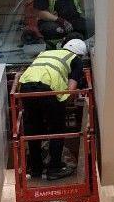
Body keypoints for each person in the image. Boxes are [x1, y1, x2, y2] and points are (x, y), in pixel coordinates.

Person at [16, 38, 88, 180]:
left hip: (25, 87)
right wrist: (65, 103)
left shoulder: (46, 53)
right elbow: (70, 90)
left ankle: (36, 169)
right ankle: (55, 168)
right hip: (47, 89)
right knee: (57, 128)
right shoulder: (76, 60)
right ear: (80, 54)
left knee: (33, 129)